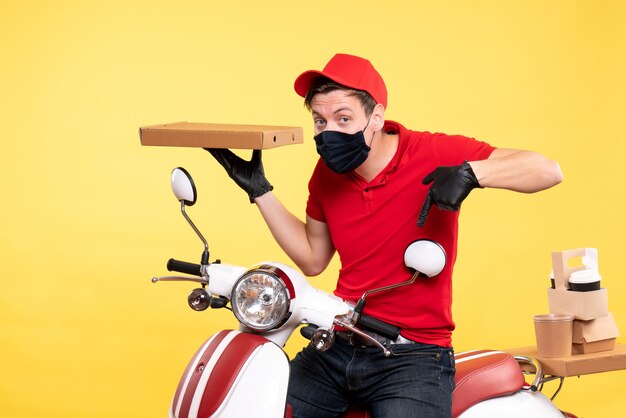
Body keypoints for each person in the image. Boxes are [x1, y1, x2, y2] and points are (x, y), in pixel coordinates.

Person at [207, 53, 563, 418]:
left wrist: (472, 173)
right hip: (338, 340)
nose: (329, 132)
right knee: (258, 407)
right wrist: (260, 191)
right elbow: (313, 258)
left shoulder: (433, 152)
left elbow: (547, 170)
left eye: (343, 119)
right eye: (320, 120)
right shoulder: (327, 175)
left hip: (414, 356)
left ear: (376, 117)